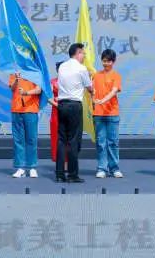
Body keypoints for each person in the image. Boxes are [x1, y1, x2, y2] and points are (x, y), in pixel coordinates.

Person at [55, 43, 93, 183]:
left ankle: (59, 174)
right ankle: (72, 175)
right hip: (74, 105)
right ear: (77, 53)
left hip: (62, 104)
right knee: (73, 140)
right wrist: (90, 80)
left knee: (61, 140)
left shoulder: (62, 67)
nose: (84, 56)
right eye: (83, 53)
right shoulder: (81, 68)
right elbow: (89, 87)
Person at [93, 49, 123, 178]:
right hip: (98, 114)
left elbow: (114, 91)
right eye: (104, 61)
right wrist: (93, 98)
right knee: (101, 142)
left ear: (113, 62)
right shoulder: (96, 75)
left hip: (112, 113)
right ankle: (102, 168)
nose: (106, 63)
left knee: (113, 142)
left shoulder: (116, 75)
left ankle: (114, 168)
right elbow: (92, 91)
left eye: (108, 61)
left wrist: (103, 100)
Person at [9, 72, 41, 178]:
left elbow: (39, 90)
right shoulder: (14, 72)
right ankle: (20, 168)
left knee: (31, 139)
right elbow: (12, 88)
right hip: (16, 110)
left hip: (31, 110)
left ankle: (32, 167)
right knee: (18, 140)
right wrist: (16, 79)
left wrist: (26, 93)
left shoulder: (35, 71)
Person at [48, 62, 62, 163]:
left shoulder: (71, 82)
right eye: (59, 69)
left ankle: (68, 162)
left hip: (68, 110)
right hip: (56, 111)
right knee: (56, 136)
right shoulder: (52, 82)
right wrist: (57, 105)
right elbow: (48, 97)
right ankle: (58, 160)